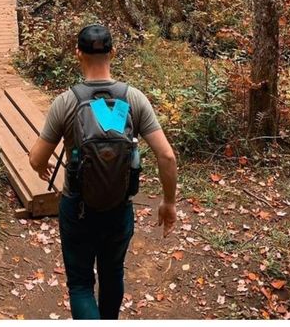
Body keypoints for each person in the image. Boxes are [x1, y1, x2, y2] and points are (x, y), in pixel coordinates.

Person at [28, 23, 178, 320]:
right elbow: (167, 155)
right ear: (113, 52)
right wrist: (168, 202)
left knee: (81, 283)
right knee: (112, 275)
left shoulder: (66, 102)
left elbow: (36, 159)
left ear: (77, 54)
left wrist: (42, 164)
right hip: (118, 207)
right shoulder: (134, 99)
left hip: (78, 208)